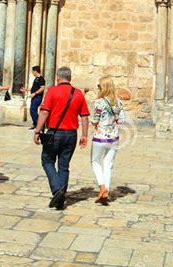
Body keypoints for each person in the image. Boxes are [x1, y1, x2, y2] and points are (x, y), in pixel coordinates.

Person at [34, 66, 89, 210]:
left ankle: (57, 190)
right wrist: (84, 135)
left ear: (58, 77)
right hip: (71, 134)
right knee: (64, 166)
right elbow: (84, 116)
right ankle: (60, 199)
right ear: (69, 77)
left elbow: (44, 113)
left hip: (54, 133)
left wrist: (37, 131)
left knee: (47, 160)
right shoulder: (78, 93)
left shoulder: (52, 91)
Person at [91, 76, 126, 205]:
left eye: (99, 86)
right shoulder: (118, 102)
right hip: (114, 137)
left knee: (95, 162)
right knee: (108, 164)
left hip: (100, 136)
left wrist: (97, 123)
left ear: (103, 88)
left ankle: (102, 187)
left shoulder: (99, 102)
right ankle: (107, 189)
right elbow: (121, 120)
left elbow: (94, 120)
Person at [21, 65, 46, 129]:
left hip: (37, 97)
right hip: (34, 97)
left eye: (32, 71)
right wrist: (26, 89)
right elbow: (34, 88)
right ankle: (35, 124)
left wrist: (34, 93)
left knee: (33, 110)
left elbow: (42, 88)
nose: (32, 73)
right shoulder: (36, 79)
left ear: (35, 71)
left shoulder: (41, 79)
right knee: (32, 110)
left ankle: (40, 125)